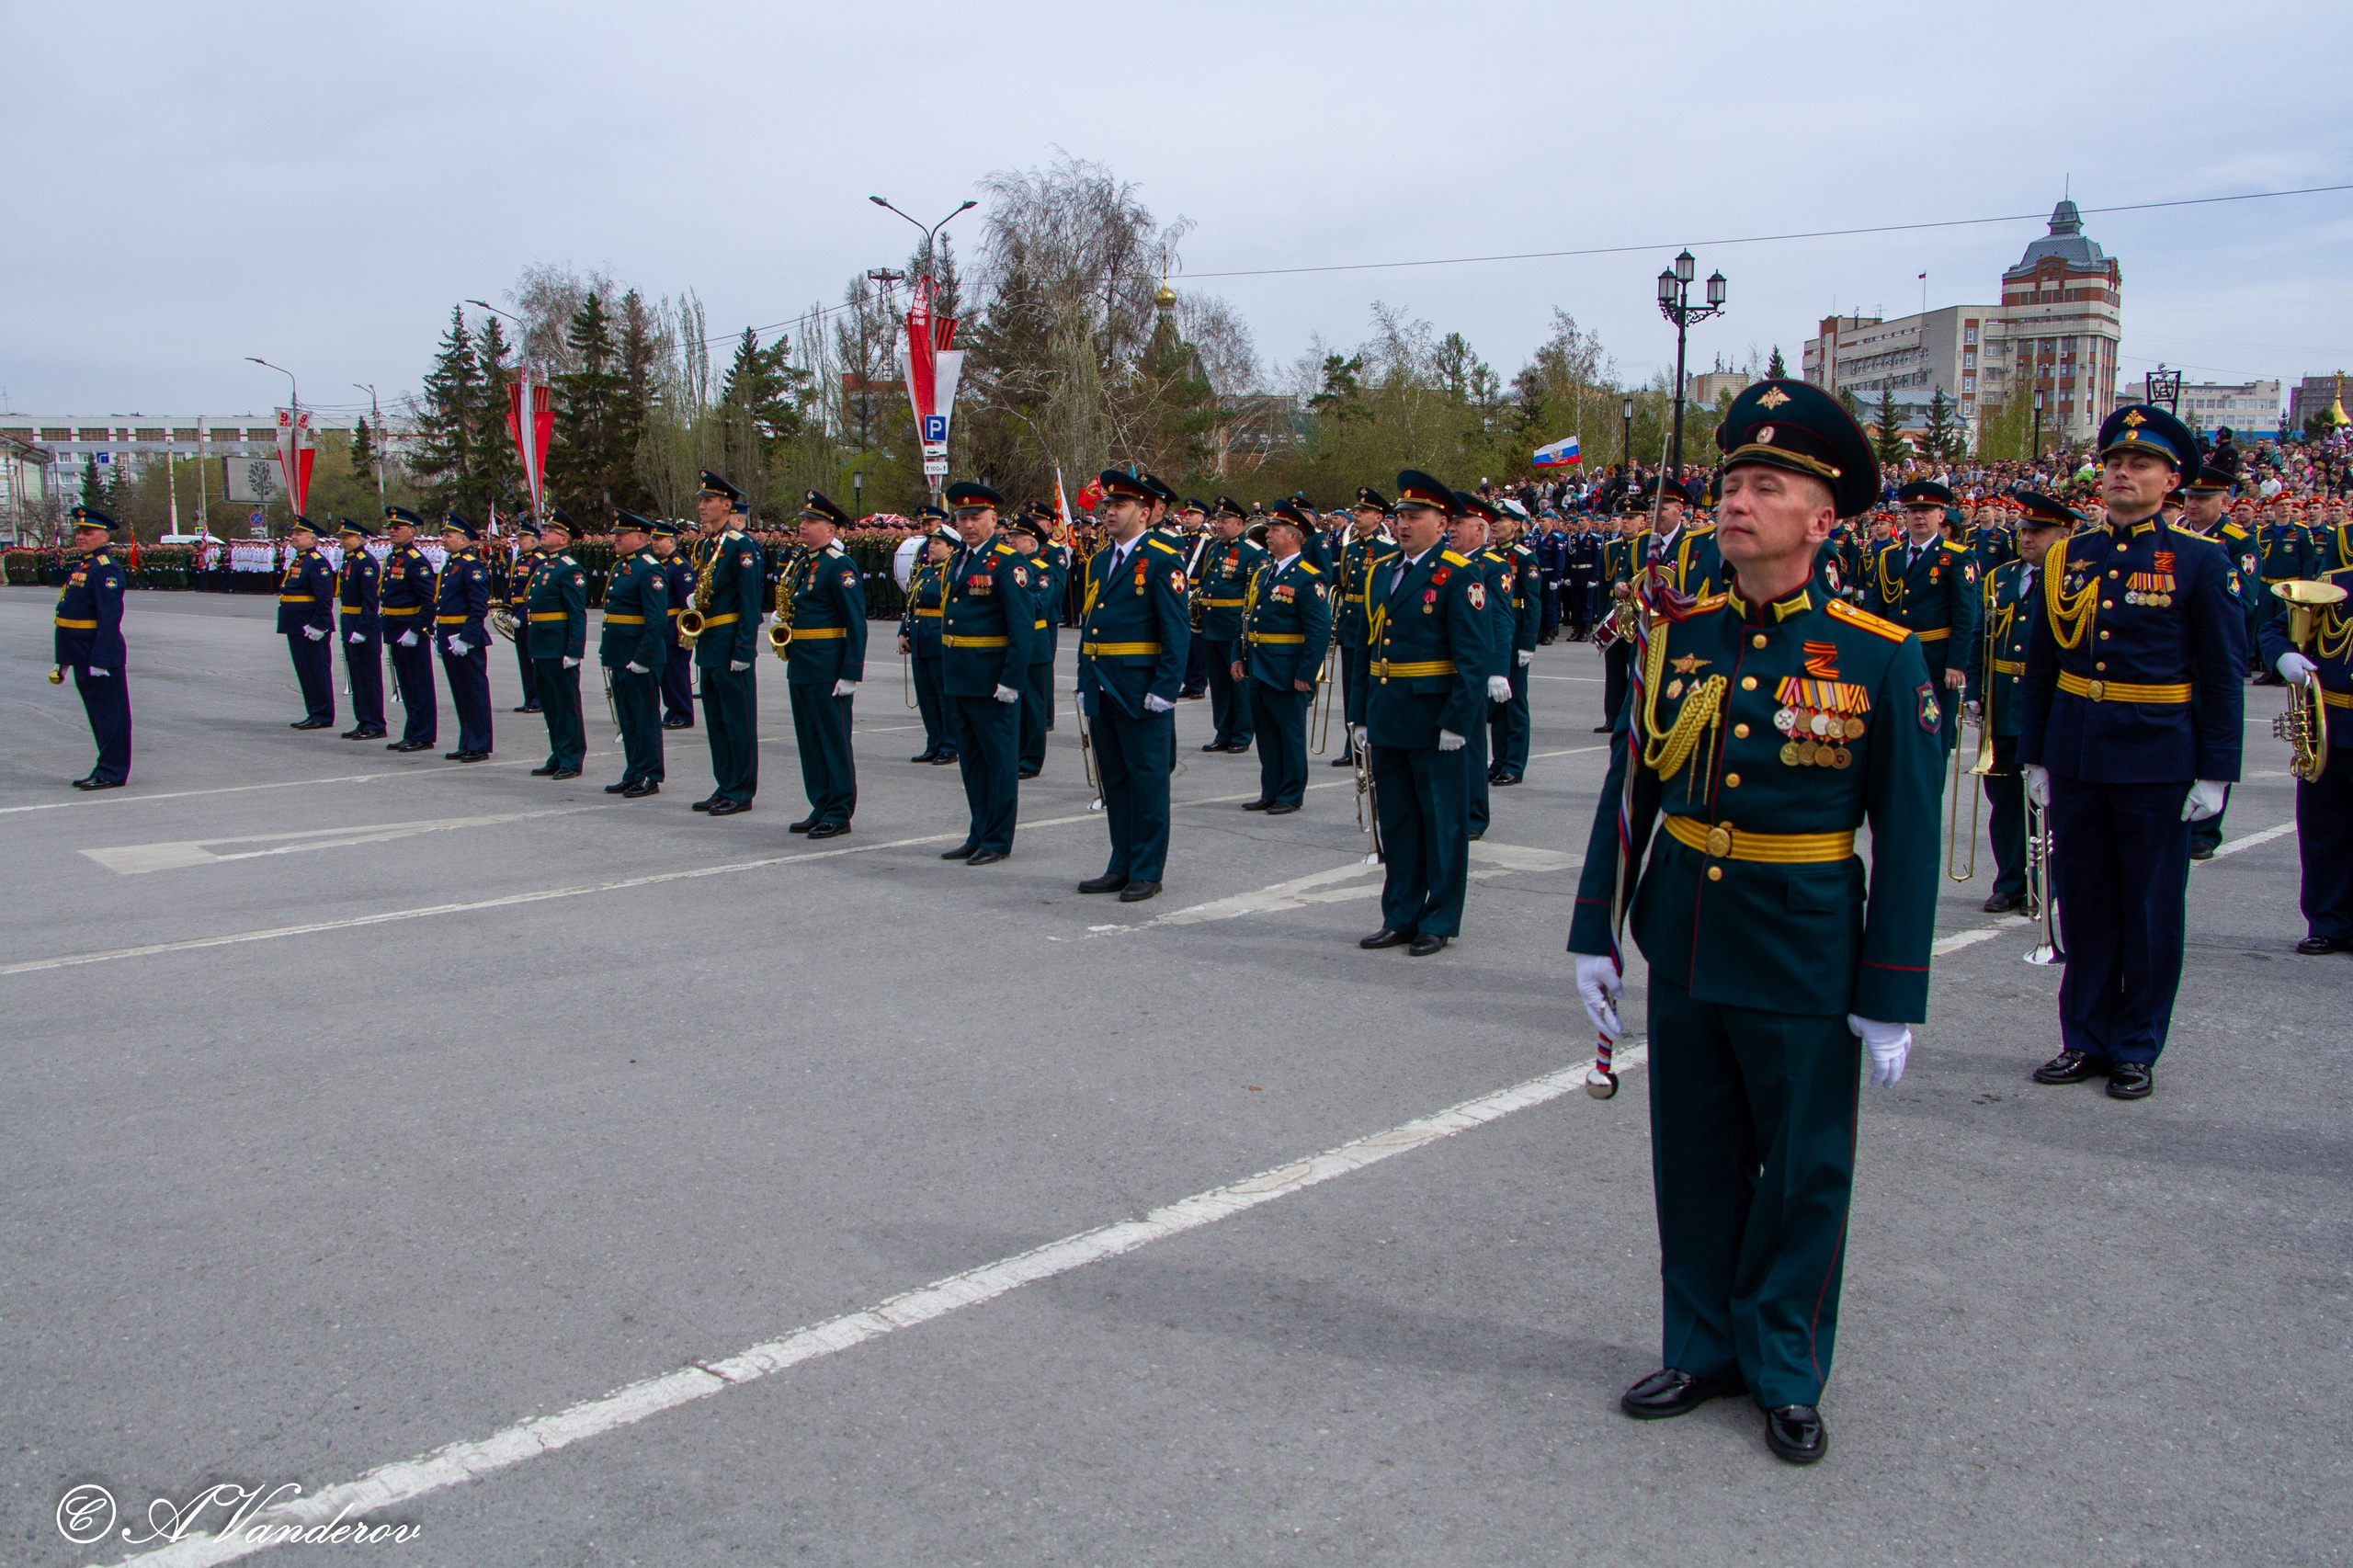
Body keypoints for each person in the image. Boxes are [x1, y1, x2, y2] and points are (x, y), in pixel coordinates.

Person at [1570, 378, 1938, 1467]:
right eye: (1731, 480)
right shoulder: (1679, 633)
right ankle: (1703, 1343)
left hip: (1803, 938)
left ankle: (1783, 1362)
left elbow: (1909, 836)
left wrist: (1890, 994)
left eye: (1764, 485)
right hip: (1684, 924)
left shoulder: (1878, 653)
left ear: (1820, 521)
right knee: (1693, 1150)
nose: (1735, 500)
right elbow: (1631, 785)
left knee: (1802, 1165)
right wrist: (1596, 924)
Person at [2021, 403, 2246, 1101]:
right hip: (2080, 753)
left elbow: (2221, 673)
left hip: (2157, 759)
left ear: (2171, 479)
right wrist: (2036, 755)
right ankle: (2083, 1036)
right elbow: (2042, 663)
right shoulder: (2070, 554)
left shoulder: (2202, 563)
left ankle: (2137, 1044)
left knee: (2149, 909)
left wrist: (2217, 772)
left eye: (2140, 464)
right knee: (2084, 900)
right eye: (2115, 463)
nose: (2123, 473)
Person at [1355, 471, 1486, 958]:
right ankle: (1401, 915)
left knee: (1443, 824)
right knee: (1400, 823)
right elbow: (1366, 647)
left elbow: (1473, 658)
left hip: (1434, 720)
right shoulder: (1381, 570)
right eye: (1400, 517)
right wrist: (1360, 713)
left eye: (1415, 517)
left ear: (1441, 522)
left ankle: (1440, 918)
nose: (1404, 525)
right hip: (1388, 714)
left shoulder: (1458, 574)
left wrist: (1458, 721)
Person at [1075, 469, 1191, 902]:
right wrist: (1085, 680)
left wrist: (1165, 688)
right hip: (1104, 684)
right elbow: (1091, 627)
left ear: (1144, 513)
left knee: (1147, 782)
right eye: (1107, 505)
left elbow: (1176, 631)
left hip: (1141, 688)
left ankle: (1146, 869)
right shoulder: (1099, 560)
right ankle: (1120, 863)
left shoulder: (1163, 558)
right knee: (1116, 782)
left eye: (1118, 506)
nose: (1109, 512)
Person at [1972, 493, 2075, 913]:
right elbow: (1982, 637)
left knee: (2047, 797)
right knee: (2005, 798)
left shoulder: (2071, 579)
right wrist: (1978, 692)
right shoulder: (2000, 577)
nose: (2026, 537)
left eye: (2037, 531)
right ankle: (2010, 879)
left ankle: (2046, 881)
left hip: (2046, 699)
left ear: (2063, 534)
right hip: (2002, 699)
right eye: (2024, 530)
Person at [2260, 546, 2352, 953]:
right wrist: (2283, 656)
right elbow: (2274, 629)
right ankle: (2329, 922)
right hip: (2331, 727)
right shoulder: (2335, 586)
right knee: (2324, 831)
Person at [938, 480, 1035, 865]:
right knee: (972, 761)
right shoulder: (957, 559)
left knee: (998, 762)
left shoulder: (1009, 562)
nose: (968, 524)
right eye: (962, 518)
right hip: (961, 677)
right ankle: (978, 830)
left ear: (994, 518)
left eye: (976, 517)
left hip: (992, 680)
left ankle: (997, 838)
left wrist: (1011, 679)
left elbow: (1021, 627)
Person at [1870, 481, 1981, 760]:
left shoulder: (1957, 557)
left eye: (1927, 510)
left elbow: (1966, 615)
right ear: (1905, 516)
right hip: (1895, 656)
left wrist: (1956, 663)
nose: (1919, 516)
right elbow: (1877, 610)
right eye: (1914, 510)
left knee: (1933, 738)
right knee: (1895, 735)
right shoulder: (1889, 556)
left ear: (1941, 516)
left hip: (1936, 658)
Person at [1235, 501, 1333, 815]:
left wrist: (1308, 672)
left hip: (1288, 669)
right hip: (1260, 666)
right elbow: (1248, 618)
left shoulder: (1308, 577)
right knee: (1265, 734)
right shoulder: (1264, 573)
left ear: (1294, 537)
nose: (1268, 536)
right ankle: (1271, 789)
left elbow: (1318, 632)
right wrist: (1240, 657)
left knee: (1289, 734)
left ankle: (1291, 794)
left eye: (1275, 531)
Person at [782, 490, 867, 840]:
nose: (802, 526)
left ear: (831, 529)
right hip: (801, 662)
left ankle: (839, 810)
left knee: (832, 739)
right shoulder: (804, 562)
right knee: (810, 740)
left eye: (811, 521)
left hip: (827, 666)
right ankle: (820, 803)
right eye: (802, 520)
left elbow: (856, 622)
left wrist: (850, 672)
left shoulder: (838, 565)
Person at [688, 472, 765, 815]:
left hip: (731, 641)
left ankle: (741, 789)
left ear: (726, 504)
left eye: (708, 501)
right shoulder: (705, 545)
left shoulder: (740, 545)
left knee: (738, 720)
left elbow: (750, 601)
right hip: (709, 643)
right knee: (716, 720)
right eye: (701, 501)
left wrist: (745, 649)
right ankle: (725, 782)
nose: (702, 506)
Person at [53, 505, 131, 790]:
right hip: (79, 652)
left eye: (88, 532)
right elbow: (66, 614)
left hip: (98, 653)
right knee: (98, 714)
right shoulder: (84, 566)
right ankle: (105, 766)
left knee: (111, 715)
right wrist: (63, 659)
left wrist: (101, 658)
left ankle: (113, 771)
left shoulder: (105, 569)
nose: (81, 537)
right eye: (79, 533)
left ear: (104, 536)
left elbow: (109, 619)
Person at [599, 512, 669, 798]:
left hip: (640, 656)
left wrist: (643, 657)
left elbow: (655, 620)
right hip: (620, 653)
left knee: (645, 718)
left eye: (622, 534)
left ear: (641, 538)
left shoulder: (649, 569)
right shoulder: (623, 566)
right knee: (627, 719)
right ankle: (634, 771)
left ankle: (650, 774)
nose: (616, 538)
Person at [523, 511, 589, 780]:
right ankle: (558, 753)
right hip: (541, 643)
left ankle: (572, 758)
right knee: (550, 703)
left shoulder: (570, 568)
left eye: (549, 530)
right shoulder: (545, 567)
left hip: (558, 645)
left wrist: (574, 649)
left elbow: (576, 613)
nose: (543, 533)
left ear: (563, 538)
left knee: (566, 703)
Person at [1329, 489, 1392, 767]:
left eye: (1364, 511)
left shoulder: (1388, 549)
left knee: (1370, 685)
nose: (1357, 514)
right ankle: (1351, 743)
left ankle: (1371, 741)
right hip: (1350, 622)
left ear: (1378, 517)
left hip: (1373, 623)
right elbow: (1341, 585)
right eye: (1356, 510)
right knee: (1351, 687)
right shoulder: (1349, 549)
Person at [1196, 497, 1264, 754]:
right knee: (1219, 683)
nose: (1219, 525)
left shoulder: (1253, 552)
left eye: (1224, 521)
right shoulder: (1213, 549)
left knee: (1239, 682)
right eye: (1217, 520)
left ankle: (1242, 734)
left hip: (1234, 626)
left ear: (1240, 523)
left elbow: (1254, 594)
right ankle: (1223, 731)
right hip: (1212, 625)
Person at [1487, 503, 1542, 786]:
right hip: (1495, 634)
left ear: (1517, 526)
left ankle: (1514, 764)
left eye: (1502, 520)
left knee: (1515, 702)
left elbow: (1533, 602)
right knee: (1496, 704)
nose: (1495, 524)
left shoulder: (1524, 557)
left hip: (1516, 632)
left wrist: (1528, 643)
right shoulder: (1488, 556)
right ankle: (1498, 760)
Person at [1012, 507, 1067, 779]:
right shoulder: (1011, 567)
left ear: (1032, 543)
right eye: (1010, 536)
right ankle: (1015, 754)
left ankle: (1031, 760)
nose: (1010, 541)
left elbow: (1040, 604)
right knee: (1014, 702)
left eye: (1016, 537)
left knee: (1033, 705)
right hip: (1012, 642)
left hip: (1034, 640)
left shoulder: (1042, 571)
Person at [379, 506, 438, 753]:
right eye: (390, 527)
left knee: (419, 683)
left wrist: (417, 630)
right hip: (395, 627)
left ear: (411, 531)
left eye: (398, 527)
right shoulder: (394, 557)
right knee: (406, 684)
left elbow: (429, 600)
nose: (392, 531)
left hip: (410, 629)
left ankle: (423, 735)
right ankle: (412, 731)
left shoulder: (416, 561)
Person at [435, 513, 494, 761]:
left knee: (474, 691)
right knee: (461, 692)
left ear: (463, 539)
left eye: (448, 536)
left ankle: (479, 744)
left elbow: (478, 607)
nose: (444, 540)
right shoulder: (452, 564)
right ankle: (467, 740)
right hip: (450, 635)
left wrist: (467, 637)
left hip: (464, 638)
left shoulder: (471, 565)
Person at [900, 525, 958, 765]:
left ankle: (949, 745)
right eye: (931, 542)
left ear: (951, 548)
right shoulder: (924, 571)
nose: (931, 547)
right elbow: (911, 604)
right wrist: (903, 632)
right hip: (919, 637)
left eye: (937, 543)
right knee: (926, 695)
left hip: (938, 637)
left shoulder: (953, 572)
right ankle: (933, 742)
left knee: (943, 694)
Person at [277, 516, 337, 730]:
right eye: (293, 533)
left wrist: (319, 624)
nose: (293, 537)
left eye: (299, 534)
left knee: (316, 670)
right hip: (296, 623)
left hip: (309, 625)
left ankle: (323, 714)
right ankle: (314, 711)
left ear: (313, 540)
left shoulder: (317, 562)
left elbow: (324, 597)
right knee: (305, 670)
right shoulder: (301, 559)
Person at [335, 517, 387, 740]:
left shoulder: (365, 562)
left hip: (362, 624)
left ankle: (375, 723)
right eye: (342, 537)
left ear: (360, 538)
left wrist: (363, 628)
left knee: (368, 675)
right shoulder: (350, 560)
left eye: (347, 537)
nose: (343, 541)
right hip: (350, 621)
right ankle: (363, 719)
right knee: (356, 675)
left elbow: (370, 600)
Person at [651, 517, 696, 729]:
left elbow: (687, 603)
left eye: (660, 539)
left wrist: (684, 632)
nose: (655, 543)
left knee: (677, 673)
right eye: (654, 539)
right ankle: (672, 710)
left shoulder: (680, 567)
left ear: (672, 541)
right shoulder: (658, 565)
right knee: (666, 675)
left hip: (674, 628)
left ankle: (684, 712)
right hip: (661, 628)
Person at [506, 517, 544, 714]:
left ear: (534, 540)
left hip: (528, 615)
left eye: (523, 538)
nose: (518, 541)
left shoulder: (539, 561)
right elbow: (514, 587)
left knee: (533, 658)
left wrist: (522, 614)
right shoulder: (520, 560)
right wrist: (504, 605)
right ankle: (529, 697)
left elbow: (535, 593)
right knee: (523, 659)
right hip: (516, 611)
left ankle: (539, 698)